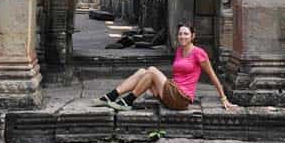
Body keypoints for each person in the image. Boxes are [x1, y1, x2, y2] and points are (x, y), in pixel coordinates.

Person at [98, 23, 235, 110]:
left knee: (151, 71)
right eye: (180, 34)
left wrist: (223, 97)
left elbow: (212, 75)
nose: (182, 36)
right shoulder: (180, 51)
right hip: (171, 92)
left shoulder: (199, 53)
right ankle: (111, 96)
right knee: (142, 71)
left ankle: (128, 101)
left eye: (186, 34)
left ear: (192, 36)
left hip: (181, 98)